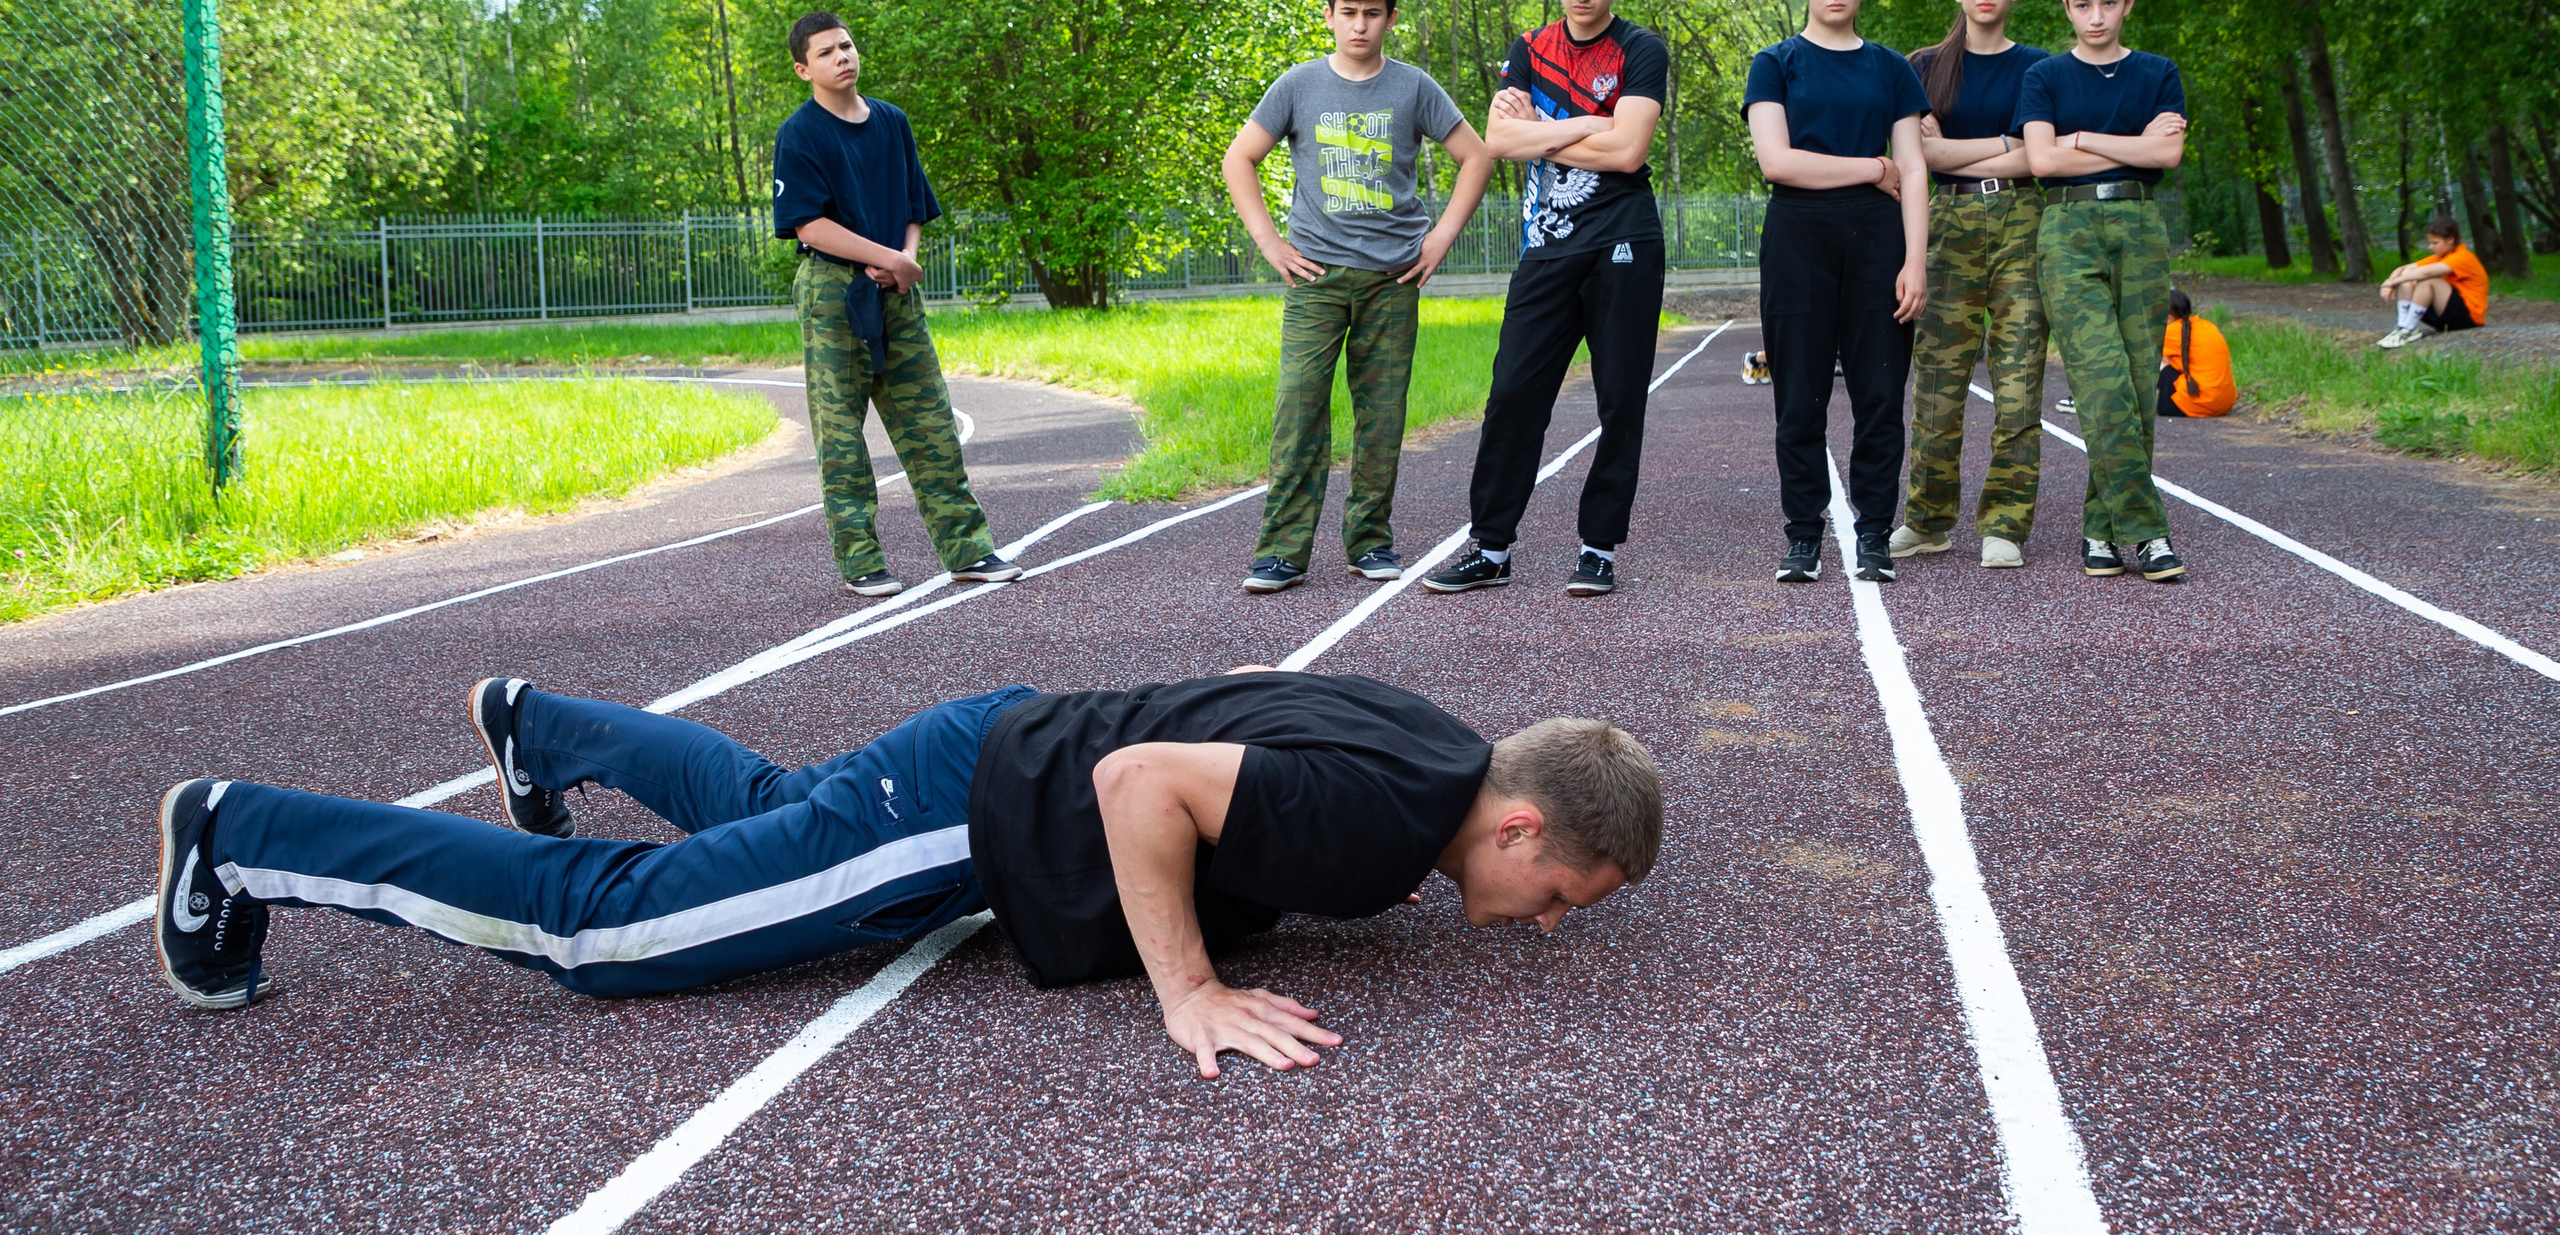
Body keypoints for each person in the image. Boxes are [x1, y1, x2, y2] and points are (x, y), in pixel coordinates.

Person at [150, 668, 1664, 1077]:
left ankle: (538, 730)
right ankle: (240, 833)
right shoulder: (1385, 823)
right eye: (1555, 902)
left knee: (773, 812)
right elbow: (1146, 785)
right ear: (1525, 828)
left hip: (983, 748)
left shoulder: (1431, 752)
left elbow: (1242, 717)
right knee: (603, 932)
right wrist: (1188, 988)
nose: (1537, 928)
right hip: (972, 814)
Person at [1221, 0, 1496, 593]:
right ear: (1329, 15)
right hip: (1315, 280)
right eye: (1348, 13)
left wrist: (1440, 240)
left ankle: (1370, 541)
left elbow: (1475, 156)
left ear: (1390, 19)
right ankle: (1282, 550)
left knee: (1381, 417)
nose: (1360, 25)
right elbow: (1241, 157)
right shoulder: (1298, 85)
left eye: (1372, 14)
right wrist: (1269, 242)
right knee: (1299, 409)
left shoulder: (1414, 87)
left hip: (1392, 281)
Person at [1422, 0, 1669, 598]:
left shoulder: (1642, 49)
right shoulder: (1530, 48)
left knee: (1620, 400)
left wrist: (1542, 135)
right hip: (1547, 245)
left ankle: (1597, 549)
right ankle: (1491, 546)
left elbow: (1628, 154)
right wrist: (1590, 122)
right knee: (1512, 393)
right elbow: (1498, 139)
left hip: (1624, 241)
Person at [772, 12, 1019, 597]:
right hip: (834, 292)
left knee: (930, 421)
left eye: (848, 45)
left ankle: (968, 549)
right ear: (804, 68)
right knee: (841, 433)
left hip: (896, 291)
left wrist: (903, 260)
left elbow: (914, 205)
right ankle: (861, 559)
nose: (843, 57)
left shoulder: (891, 122)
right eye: (828, 52)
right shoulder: (800, 133)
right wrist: (883, 256)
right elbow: (807, 224)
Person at [1743, 0, 1930, 585]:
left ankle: (1875, 533)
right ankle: (1803, 536)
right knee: (1800, 397)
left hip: (1879, 242)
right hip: (1798, 238)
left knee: (1881, 394)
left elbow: (1913, 166)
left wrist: (1917, 259)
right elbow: (1779, 161)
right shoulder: (1775, 63)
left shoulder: (1890, 68)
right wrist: (1869, 165)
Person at [2017, 0, 2189, 582]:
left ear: (2129, 3)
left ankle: (2099, 531)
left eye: (2108, 2)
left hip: (2141, 228)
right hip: (2067, 231)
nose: (2096, 16)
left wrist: (2083, 139)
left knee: (2140, 380)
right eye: (2083, 4)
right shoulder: (2045, 76)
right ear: (2066, 7)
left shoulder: (2157, 73)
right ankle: (2147, 532)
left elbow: (2166, 154)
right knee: (2100, 379)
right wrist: (2128, 147)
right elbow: (2041, 162)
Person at [1889, 0, 2050, 571]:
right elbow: (1916, 158)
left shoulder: (2041, 70)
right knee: (1936, 381)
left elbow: (2035, 160)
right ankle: (1928, 520)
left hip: (2022, 223)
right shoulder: (1921, 67)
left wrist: (1955, 149)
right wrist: (2002, 145)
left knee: (2018, 381)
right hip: (1946, 223)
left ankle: (2006, 524)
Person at [2376, 215, 2490, 348]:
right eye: (2430, 242)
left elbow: (2426, 272)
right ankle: (2403, 327)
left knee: (2429, 281)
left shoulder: (2463, 257)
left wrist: (2391, 283)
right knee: (2407, 277)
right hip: (2445, 316)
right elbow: (2402, 269)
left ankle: (2409, 329)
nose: (2430, 247)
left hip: (2468, 318)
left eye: (2435, 243)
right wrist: (2388, 282)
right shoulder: (2440, 257)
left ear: (2450, 240)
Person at [2159, 288, 2236, 417]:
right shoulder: (2207, 326)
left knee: (2151, 360)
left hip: (2198, 403)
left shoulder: (2170, 332)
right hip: (2224, 403)